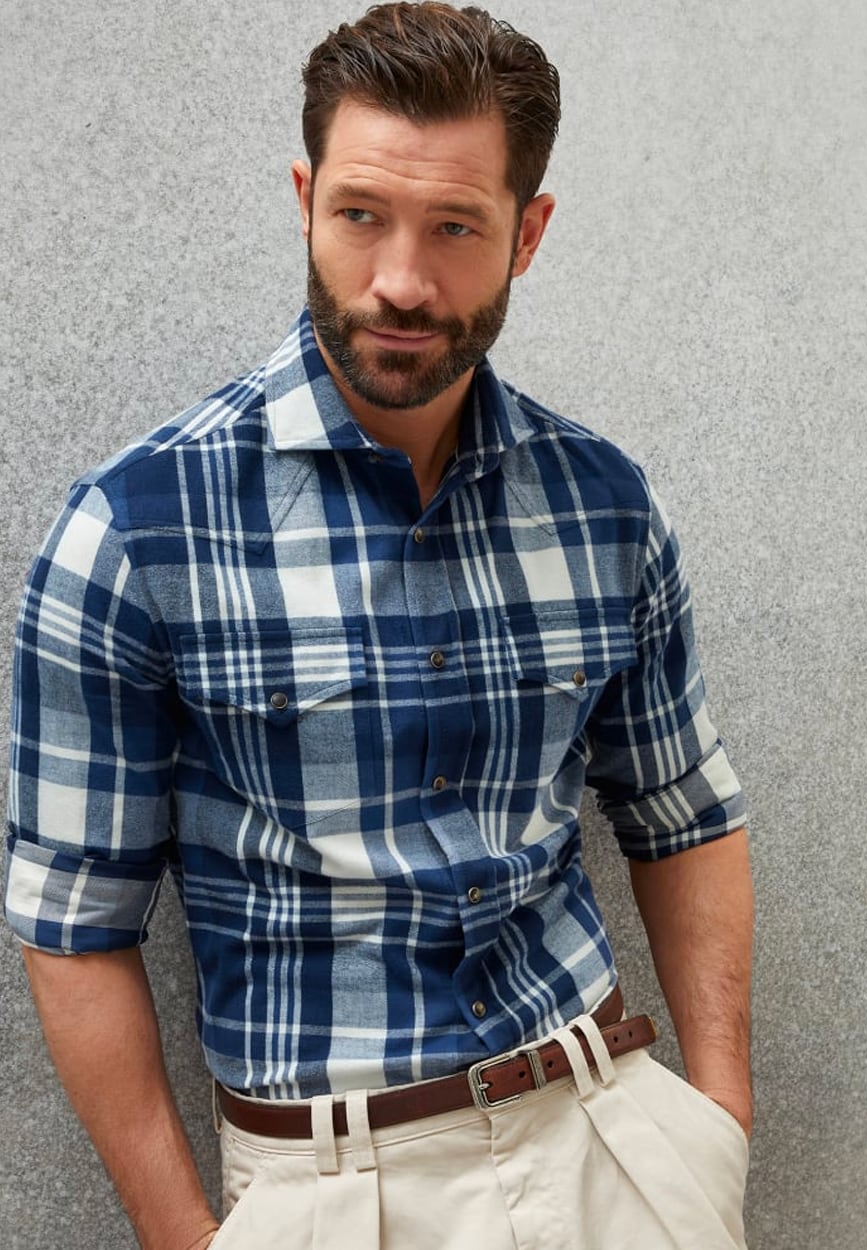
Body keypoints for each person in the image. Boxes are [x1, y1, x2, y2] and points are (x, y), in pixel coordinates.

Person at [5, 4, 753, 1248]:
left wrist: (717, 1116)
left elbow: (686, 815)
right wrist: (180, 1234)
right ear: (305, 199)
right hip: (331, 1189)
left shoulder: (605, 502)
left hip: (613, 1144)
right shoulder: (136, 529)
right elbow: (73, 925)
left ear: (530, 231)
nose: (402, 280)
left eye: (456, 226)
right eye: (361, 214)